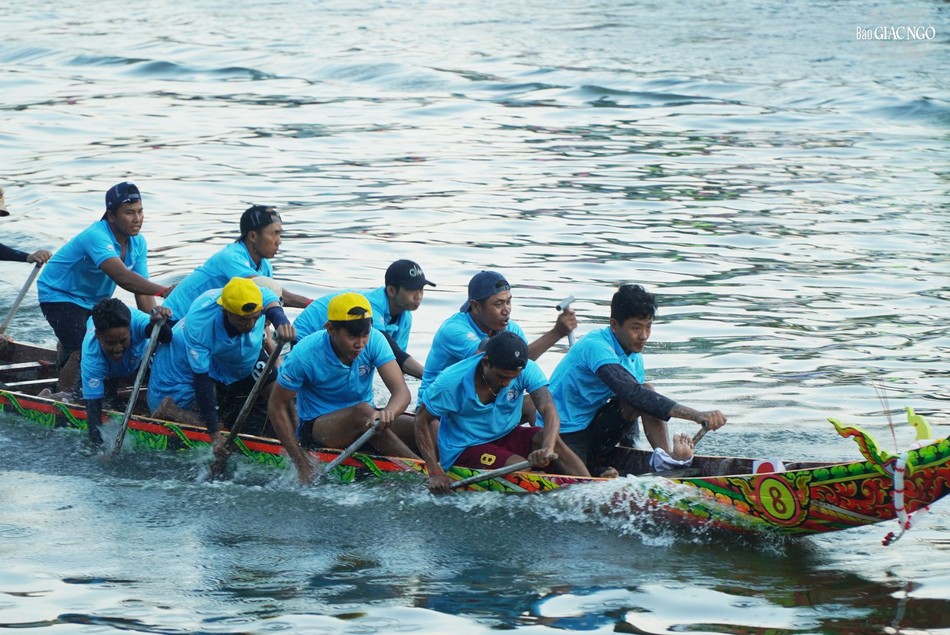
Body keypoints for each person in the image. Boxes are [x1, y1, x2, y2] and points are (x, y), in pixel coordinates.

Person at [547, 284, 727, 476]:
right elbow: (631, 393)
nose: (643, 336)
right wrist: (696, 415)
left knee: (646, 389)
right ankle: (596, 470)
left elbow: (636, 404)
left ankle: (665, 459)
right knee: (642, 392)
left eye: (648, 327)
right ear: (614, 325)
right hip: (561, 433)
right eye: (636, 328)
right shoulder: (595, 346)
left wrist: (630, 451)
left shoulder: (634, 357)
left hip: (592, 428)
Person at [414, 330, 590, 494]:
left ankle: (593, 490)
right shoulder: (449, 383)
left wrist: (548, 447)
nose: (507, 383)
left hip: (507, 434)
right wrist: (434, 472)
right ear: (486, 362)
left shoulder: (526, 368)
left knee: (549, 438)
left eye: (512, 378)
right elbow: (422, 420)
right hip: (466, 446)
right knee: (521, 467)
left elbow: (548, 409)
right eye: (501, 377)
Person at [269, 292, 415, 484]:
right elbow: (276, 405)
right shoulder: (305, 354)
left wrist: (389, 411)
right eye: (352, 336)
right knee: (363, 411)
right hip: (318, 428)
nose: (360, 343)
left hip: (366, 421)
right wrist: (301, 464)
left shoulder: (376, 340)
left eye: (365, 335)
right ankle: (422, 473)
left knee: (423, 423)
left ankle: (442, 465)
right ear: (330, 328)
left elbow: (401, 392)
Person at [37, 182, 169, 391]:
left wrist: (155, 325)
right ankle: (62, 396)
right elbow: (122, 277)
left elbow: (141, 291)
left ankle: (66, 356)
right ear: (111, 216)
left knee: (104, 342)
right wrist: (164, 290)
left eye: (140, 211)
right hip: (59, 294)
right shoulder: (96, 235)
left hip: (94, 301)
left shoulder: (138, 243)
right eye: (129, 213)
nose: (137, 219)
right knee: (83, 347)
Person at [147, 277, 295, 455]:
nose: (250, 325)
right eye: (243, 320)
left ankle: (297, 439)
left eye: (255, 319)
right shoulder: (201, 324)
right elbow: (201, 381)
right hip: (181, 380)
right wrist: (215, 435)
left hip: (230, 359)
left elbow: (271, 303)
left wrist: (282, 322)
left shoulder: (253, 293)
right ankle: (170, 410)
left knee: (281, 392)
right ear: (226, 312)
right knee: (222, 427)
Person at [418, 270, 576, 405]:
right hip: (440, 406)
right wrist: (556, 333)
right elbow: (486, 360)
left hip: (480, 404)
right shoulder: (454, 330)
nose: (506, 310)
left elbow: (521, 361)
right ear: (475, 306)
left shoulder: (511, 328)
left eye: (509, 302)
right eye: (498, 304)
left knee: (538, 402)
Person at [162, 205, 312, 320]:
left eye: (280, 234)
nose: (279, 241)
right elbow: (269, 291)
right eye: (274, 233)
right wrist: (311, 304)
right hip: (174, 318)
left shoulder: (265, 266)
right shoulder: (231, 256)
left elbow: (264, 305)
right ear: (253, 236)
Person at [293, 259, 435, 378]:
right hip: (303, 335)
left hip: (340, 343)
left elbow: (396, 359)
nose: (418, 296)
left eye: (421, 289)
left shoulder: (405, 316)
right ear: (391, 290)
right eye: (411, 289)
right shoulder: (369, 306)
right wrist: (431, 377)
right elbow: (393, 350)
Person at [77, 298, 173, 446]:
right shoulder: (92, 359)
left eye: (122, 340)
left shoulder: (137, 321)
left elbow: (167, 337)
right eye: (110, 343)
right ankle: (56, 395)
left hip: (138, 359)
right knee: (96, 402)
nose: (117, 348)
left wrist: (158, 323)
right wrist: (100, 450)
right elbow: (94, 414)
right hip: (107, 371)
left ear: (130, 330)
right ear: (98, 335)